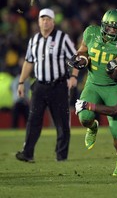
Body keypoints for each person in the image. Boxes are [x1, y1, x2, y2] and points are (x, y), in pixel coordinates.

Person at [67, 9, 117, 176]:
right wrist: (81, 59)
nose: (112, 31)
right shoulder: (91, 32)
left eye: (116, 28)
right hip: (93, 85)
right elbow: (82, 50)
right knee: (84, 118)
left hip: (112, 87)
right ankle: (92, 127)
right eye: (110, 27)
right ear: (103, 25)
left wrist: (114, 67)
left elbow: (116, 70)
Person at [15, 8, 79, 162]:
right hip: (40, 85)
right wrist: (21, 82)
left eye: (48, 19)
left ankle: (61, 156)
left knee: (62, 122)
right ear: (38, 21)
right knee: (33, 120)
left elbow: (76, 58)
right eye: (42, 19)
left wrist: (74, 76)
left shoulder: (62, 38)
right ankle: (27, 153)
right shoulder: (34, 40)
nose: (45, 21)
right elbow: (29, 62)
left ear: (53, 21)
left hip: (58, 85)